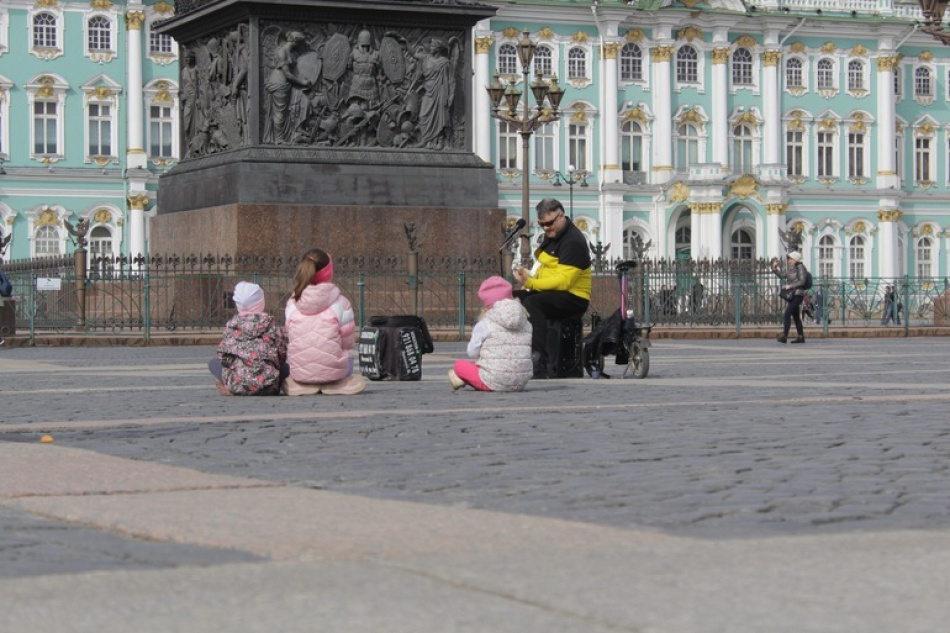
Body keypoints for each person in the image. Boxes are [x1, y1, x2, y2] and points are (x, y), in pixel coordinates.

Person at [512, 198, 592, 377]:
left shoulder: (573, 242)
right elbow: (547, 270)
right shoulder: (553, 236)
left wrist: (531, 283)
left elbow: (564, 281)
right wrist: (527, 275)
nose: (546, 228)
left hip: (574, 297)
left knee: (533, 303)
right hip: (555, 293)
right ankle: (513, 353)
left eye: (549, 223)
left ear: (561, 215)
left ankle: (539, 360)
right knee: (513, 298)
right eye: (542, 225)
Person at [283, 248, 365, 396]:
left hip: (301, 373)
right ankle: (335, 382)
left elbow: (291, 335)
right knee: (346, 355)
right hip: (334, 373)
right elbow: (348, 342)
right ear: (328, 273)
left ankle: (302, 383)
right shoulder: (341, 303)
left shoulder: (292, 304)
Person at [448, 276, 533, 392]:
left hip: (494, 380)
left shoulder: (485, 324)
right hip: (521, 382)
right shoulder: (526, 322)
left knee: (459, 365)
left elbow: (472, 352)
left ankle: (466, 379)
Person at [208, 281, 288, 396]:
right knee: (286, 367)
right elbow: (282, 353)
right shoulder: (270, 324)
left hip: (238, 383)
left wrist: (237, 365)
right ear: (261, 302)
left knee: (213, 363)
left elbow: (222, 356)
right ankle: (273, 383)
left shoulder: (232, 326)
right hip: (269, 385)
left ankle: (230, 386)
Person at [771, 251, 808, 344]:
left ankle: (784, 335)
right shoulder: (791, 268)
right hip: (792, 295)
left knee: (787, 314)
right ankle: (800, 336)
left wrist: (790, 286)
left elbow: (802, 281)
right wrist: (775, 268)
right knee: (795, 317)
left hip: (798, 294)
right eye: (788, 258)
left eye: (790, 259)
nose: (789, 260)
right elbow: (782, 276)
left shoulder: (801, 268)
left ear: (796, 259)